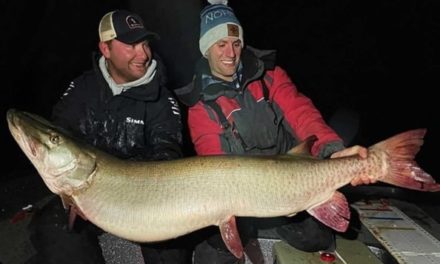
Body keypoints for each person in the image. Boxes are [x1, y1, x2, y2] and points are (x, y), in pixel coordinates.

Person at [175, 2, 373, 263]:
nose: (230, 53)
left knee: (317, 239)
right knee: (211, 257)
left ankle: (282, 220)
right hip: (241, 200)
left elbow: (303, 115)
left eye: (236, 43)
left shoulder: (270, 77)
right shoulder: (201, 105)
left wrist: (332, 150)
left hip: (293, 185)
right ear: (206, 49)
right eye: (220, 44)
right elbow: (213, 159)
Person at [28, 9, 192, 264]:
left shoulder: (162, 100)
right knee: (52, 230)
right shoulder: (82, 89)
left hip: (144, 200)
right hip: (87, 195)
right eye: (131, 45)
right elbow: (62, 133)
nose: (143, 54)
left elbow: (167, 153)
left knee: (172, 250)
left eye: (145, 43)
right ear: (105, 49)